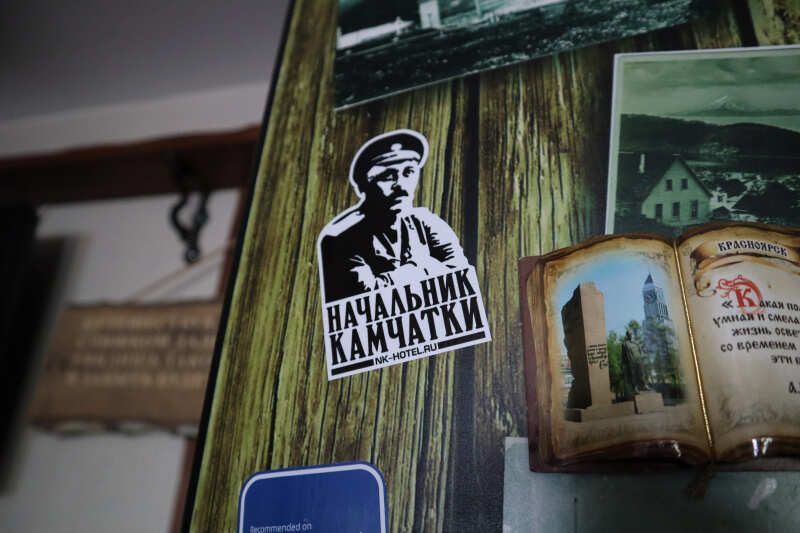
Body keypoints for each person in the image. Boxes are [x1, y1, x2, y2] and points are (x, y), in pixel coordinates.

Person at [319, 130, 468, 302]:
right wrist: (425, 267)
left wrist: (390, 280)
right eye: (387, 176)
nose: (401, 185)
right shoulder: (340, 239)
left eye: (408, 172)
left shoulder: (428, 223)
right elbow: (368, 299)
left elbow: (462, 278)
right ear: (364, 186)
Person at [621, 328, 649, 400]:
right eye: (629, 334)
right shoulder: (625, 344)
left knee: (641, 373)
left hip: (638, 360)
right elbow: (623, 355)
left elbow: (640, 351)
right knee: (633, 375)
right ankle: (635, 388)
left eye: (631, 334)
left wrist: (642, 357)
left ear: (632, 334)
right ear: (627, 335)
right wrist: (624, 364)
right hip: (631, 361)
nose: (630, 335)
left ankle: (644, 385)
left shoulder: (636, 342)